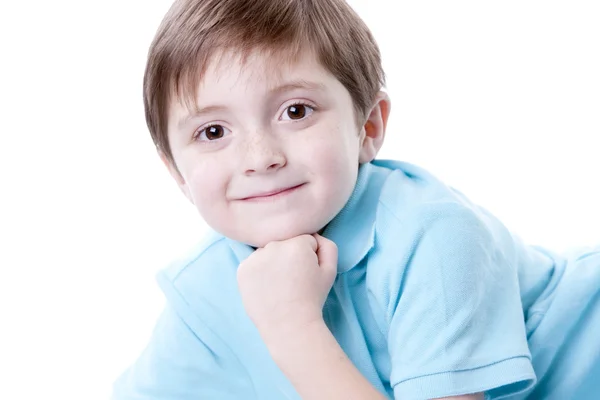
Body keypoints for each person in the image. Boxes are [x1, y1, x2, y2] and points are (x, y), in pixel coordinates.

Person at [112, 0, 600, 398]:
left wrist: (293, 326)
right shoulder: (203, 286)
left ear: (368, 126)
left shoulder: (434, 237)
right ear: (176, 171)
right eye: (213, 131)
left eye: (295, 110)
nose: (259, 158)